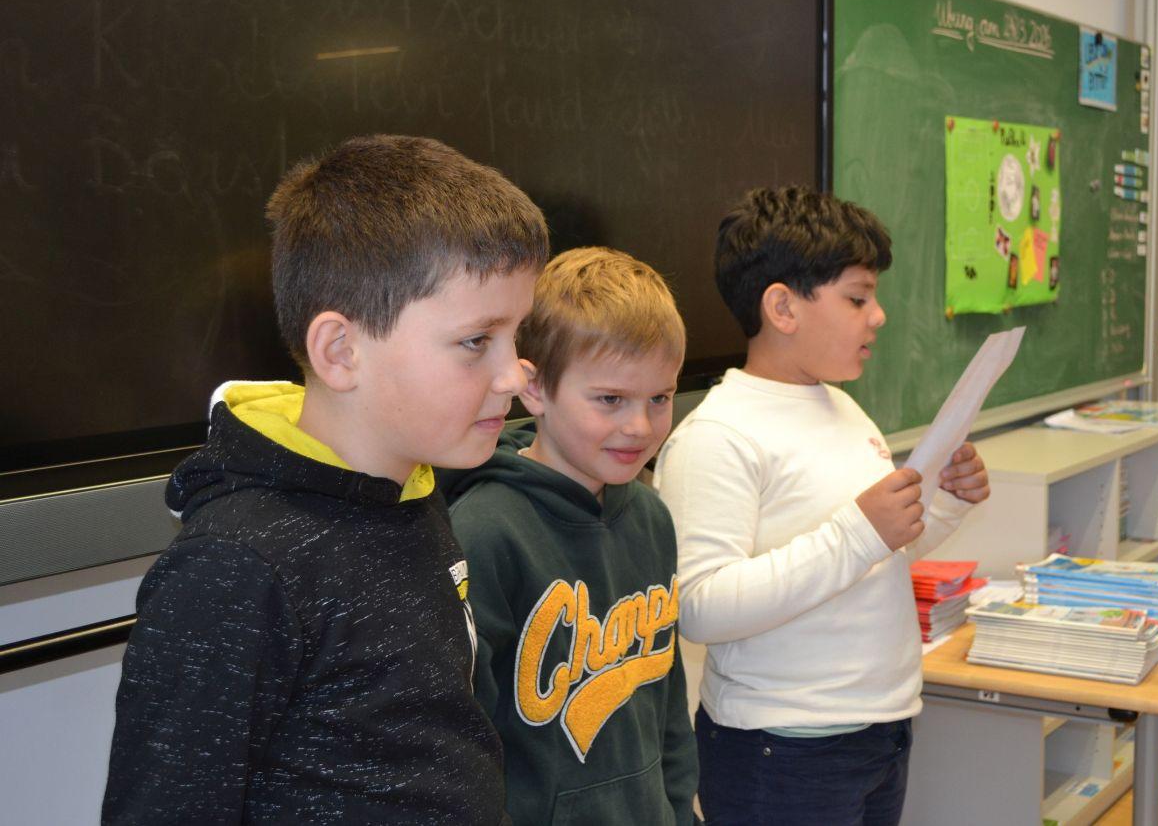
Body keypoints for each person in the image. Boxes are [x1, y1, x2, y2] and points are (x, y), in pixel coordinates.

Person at [103, 135, 549, 824]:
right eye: (475, 341)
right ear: (341, 351)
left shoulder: (410, 492)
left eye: (516, 336)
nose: (514, 374)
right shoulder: (235, 568)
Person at [654, 186, 991, 826]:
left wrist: (945, 503)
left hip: (880, 729)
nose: (878, 316)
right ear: (783, 307)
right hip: (782, 749)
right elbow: (699, 606)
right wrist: (860, 531)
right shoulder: (718, 435)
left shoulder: (842, 407)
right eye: (858, 298)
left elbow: (872, 557)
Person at [439, 247, 699, 825]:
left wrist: (681, 811)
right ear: (534, 388)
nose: (640, 426)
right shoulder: (484, 532)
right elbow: (465, 745)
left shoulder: (651, 516)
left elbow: (667, 707)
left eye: (659, 398)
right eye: (610, 399)